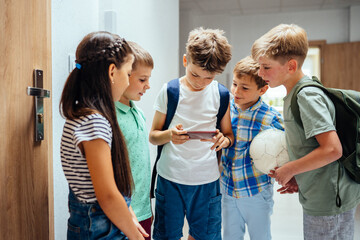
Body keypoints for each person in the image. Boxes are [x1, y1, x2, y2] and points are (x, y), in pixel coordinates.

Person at [251, 23, 360, 239]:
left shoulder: (306, 97)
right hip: (323, 196)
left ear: (290, 66)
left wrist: (290, 168)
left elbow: (332, 149)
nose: (260, 72)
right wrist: (300, 177)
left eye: (266, 67)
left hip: (329, 202)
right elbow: (311, 148)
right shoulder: (294, 94)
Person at [60, 31, 148, 240]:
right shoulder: (94, 122)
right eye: (127, 74)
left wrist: (129, 213)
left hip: (92, 220)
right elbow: (107, 196)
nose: (127, 82)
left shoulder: (80, 113)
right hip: (100, 226)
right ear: (111, 72)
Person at [149, 27, 233, 240]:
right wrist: (169, 135)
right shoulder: (170, 91)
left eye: (208, 78)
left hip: (207, 181)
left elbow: (229, 136)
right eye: (195, 74)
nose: (200, 82)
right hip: (170, 180)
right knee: (166, 235)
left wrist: (224, 140)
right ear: (185, 61)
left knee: (207, 236)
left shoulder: (221, 94)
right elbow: (153, 135)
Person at [220, 56, 284, 240]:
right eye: (234, 84)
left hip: (256, 190)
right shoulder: (226, 109)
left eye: (244, 87)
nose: (236, 91)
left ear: (263, 89)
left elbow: (287, 147)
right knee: (230, 235)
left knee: (260, 236)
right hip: (228, 189)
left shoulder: (270, 117)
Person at [115, 41, 153, 240]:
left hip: (144, 209)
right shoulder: (111, 117)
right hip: (125, 214)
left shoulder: (137, 111)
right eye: (142, 79)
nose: (148, 85)